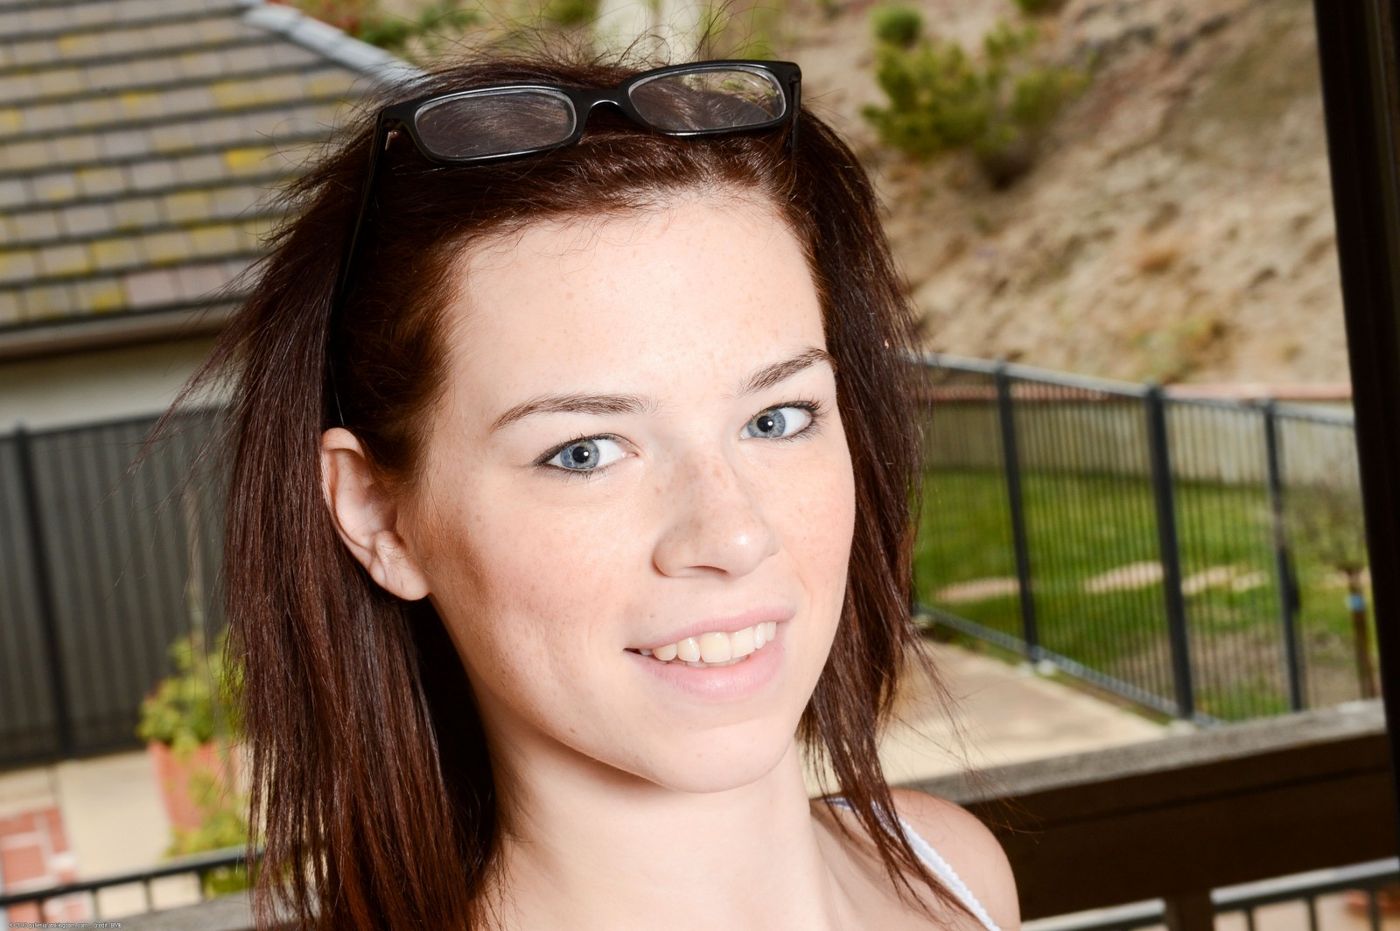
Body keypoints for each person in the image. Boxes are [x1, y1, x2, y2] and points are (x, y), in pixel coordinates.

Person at [163, 44, 1020, 930]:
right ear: (381, 516)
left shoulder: (952, 878)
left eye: (775, 418)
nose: (731, 535)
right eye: (584, 452)